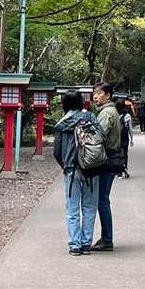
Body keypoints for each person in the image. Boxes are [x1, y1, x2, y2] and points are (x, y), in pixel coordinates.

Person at [53, 91, 100, 255]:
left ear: (65, 104)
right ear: (81, 103)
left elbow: (57, 150)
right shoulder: (91, 118)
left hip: (71, 169)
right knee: (89, 207)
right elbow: (101, 138)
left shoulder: (62, 123)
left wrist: (65, 165)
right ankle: (86, 243)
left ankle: (75, 245)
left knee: (72, 208)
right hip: (91, 168)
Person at [92, 83, 124, 250]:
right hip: (111, 159)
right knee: (102, 199)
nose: (95, 96)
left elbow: (98, 136)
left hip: (106, 160)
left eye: (99, 93)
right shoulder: (109, 111)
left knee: (102, 199)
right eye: (94, 93)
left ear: (108, 95)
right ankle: (106, 237)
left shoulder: (106, 113)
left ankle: (107, 239)